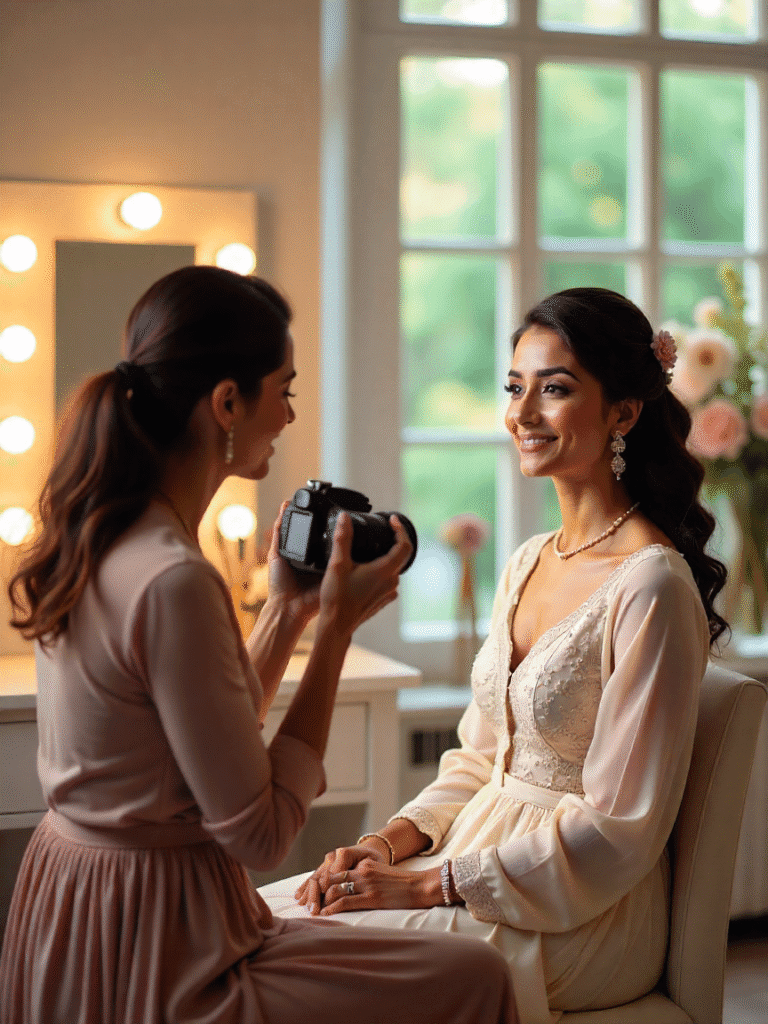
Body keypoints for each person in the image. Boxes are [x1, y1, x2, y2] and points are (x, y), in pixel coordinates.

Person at [0, 265, 518, 1024]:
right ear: (228, 403)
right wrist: (337, 633)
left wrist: (287, 612)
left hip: (77, 910)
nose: (287, 415)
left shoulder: (102, 537)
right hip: (169, 951)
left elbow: (196, 746)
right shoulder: (174, 579)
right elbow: (261, 831)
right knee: (474, 975)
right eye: (286, 388)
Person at [263, 287, 729, 1024]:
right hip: (473, 855)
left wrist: (427, 887)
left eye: (556, 389)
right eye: (515, 387)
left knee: (290, 966)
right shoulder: (527, 562)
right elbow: (480, 763)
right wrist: (387, 845)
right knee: (252, 925)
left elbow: (619, 829)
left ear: (625, 412)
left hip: (580, 910)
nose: (522, 413)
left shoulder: (653, 586)